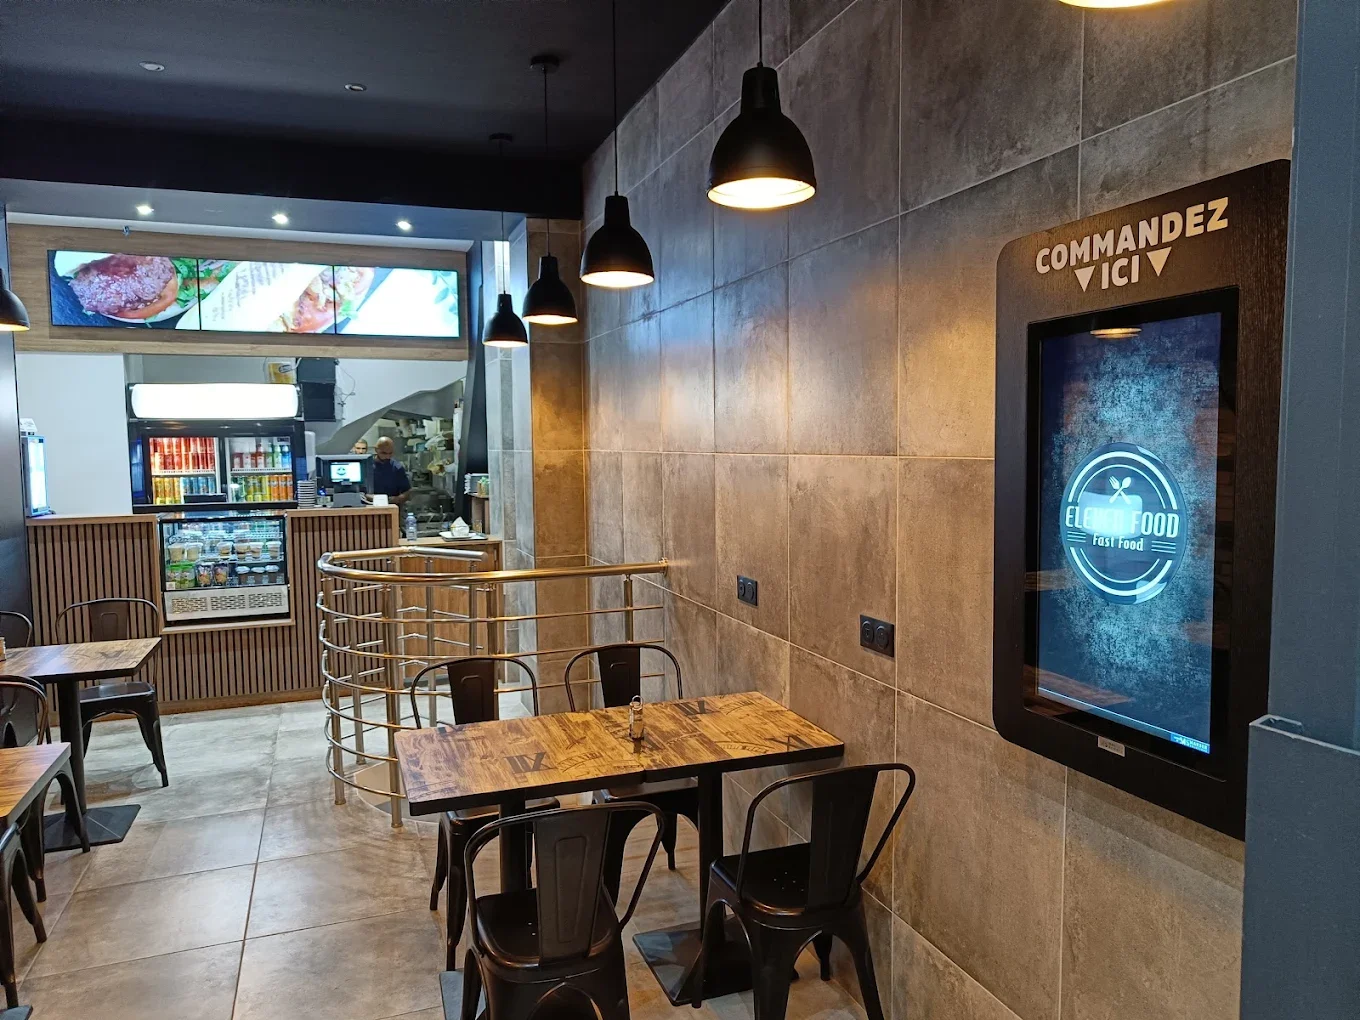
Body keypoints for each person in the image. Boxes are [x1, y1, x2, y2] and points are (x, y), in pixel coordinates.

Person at [370, 436, 412, 506]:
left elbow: (407, 491)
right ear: (376, 450)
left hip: (392, 508)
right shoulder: (368, 467)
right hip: (370, 507)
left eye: (390, 453)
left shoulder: (397, 468)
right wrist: (375, 498)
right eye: (384, 453)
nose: (387, 456)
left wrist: (397, 499)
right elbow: (360, 492)